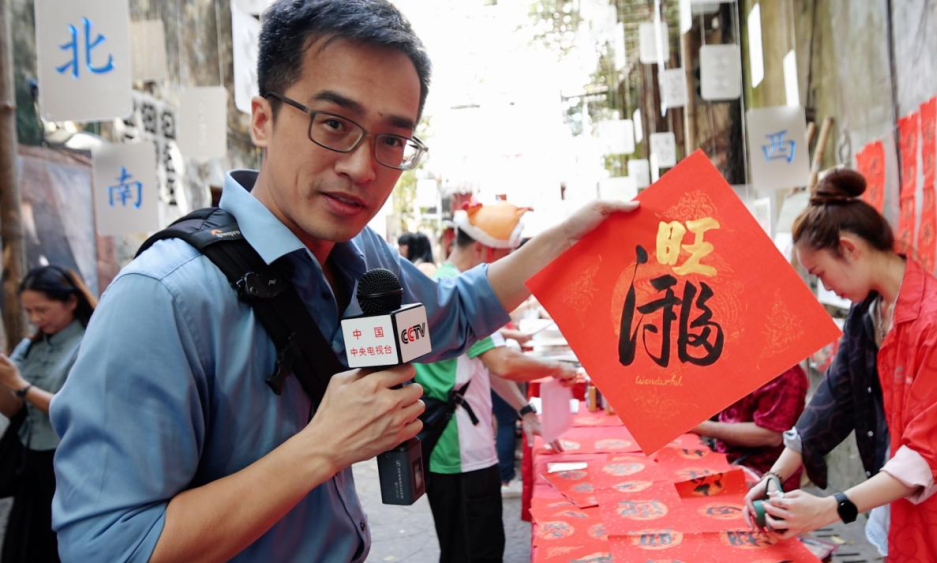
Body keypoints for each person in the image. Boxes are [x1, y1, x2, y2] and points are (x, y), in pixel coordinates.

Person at [48, 2, 637, 562]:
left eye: (391, 140)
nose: (361, 167)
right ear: (262, 118)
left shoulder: (363, 256)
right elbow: (108, 546)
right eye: (334, 124)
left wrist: (568, 237)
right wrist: (322, 446)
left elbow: (461, 312)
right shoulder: (162, 299)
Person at [745, 169, 937, 562]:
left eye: (819, 274)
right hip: (896, 500)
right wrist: (774, 476)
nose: (824, 287)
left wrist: (830, 508)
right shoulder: (870, 311)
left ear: (848, 248)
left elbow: (927, 453)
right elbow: (835, 396)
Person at [415, 202, 580, 563]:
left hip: (460, 443)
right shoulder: (454, 289)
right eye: (505, 262)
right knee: (475, 550)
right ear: (482, 251)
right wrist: (555, 367)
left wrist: (524, 408)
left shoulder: (446, 286)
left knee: (470, 546)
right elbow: (501, 362)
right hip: (457, 449)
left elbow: (486, 364)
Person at [0, 266, 96, 563]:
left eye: (42, 309)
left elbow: (76, 410)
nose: (35, 318)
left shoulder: (90, 344)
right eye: (29, 311)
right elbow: (12, 409)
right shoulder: (30, 346)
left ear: (70, 302)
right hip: (31, 463)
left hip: (70, 464)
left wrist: (21, 385)